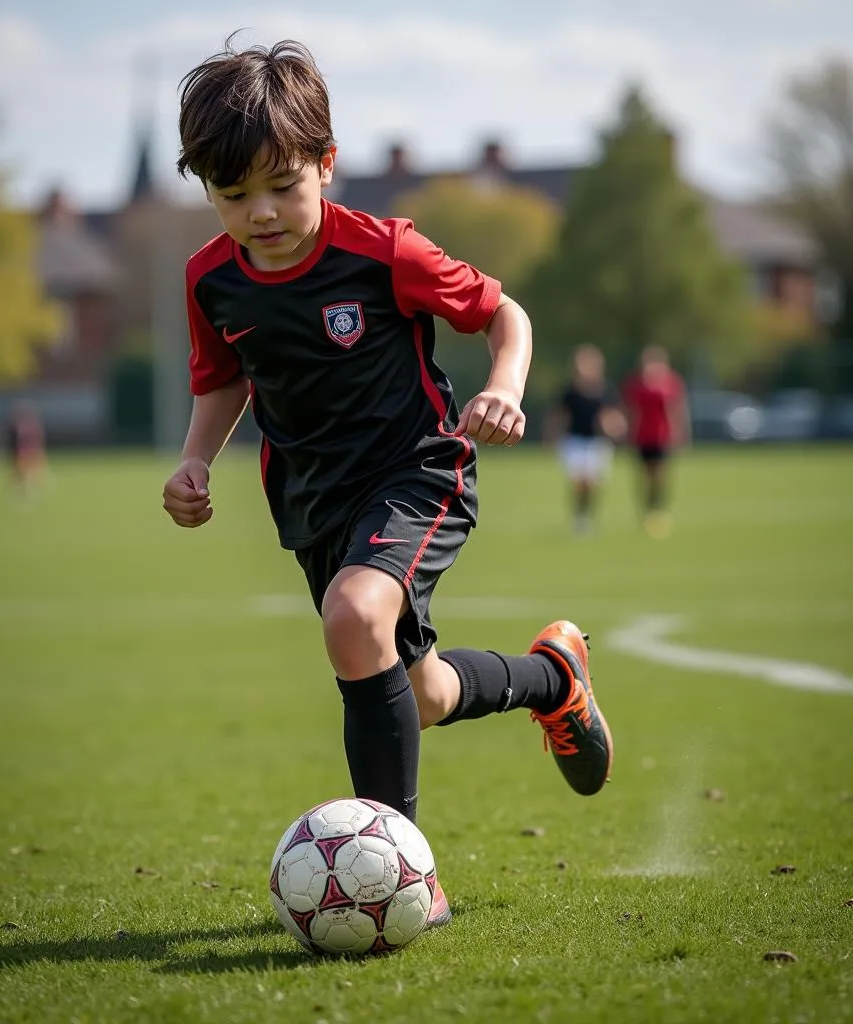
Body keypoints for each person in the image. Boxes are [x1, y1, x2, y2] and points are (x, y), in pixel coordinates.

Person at [161, 37, 613, 930]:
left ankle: (403, 870)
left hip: (416, 468)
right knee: (425, 690)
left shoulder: (384, 250)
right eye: (234, 194)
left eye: (283, 184)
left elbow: (503, 313)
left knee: (354, 618)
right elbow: (223, 378)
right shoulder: (210, 280)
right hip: (313, 501)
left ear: (327, 164)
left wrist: (504, 389)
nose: (262, 213)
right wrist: (194, 460)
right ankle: (554, 681)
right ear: (207, 192)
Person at [545, 345, 625, 533]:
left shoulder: (605, 390)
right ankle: (579, 517)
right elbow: (559, 415)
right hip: (575, 441)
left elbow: (613, 415)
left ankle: (587, 516)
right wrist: (551, 436)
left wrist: (614, 428)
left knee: (593, 483)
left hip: (597, 443)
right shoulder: (570, 391)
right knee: (579, 482)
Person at [620, 345, 690, 538]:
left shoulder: (670, 383)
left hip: (662, 436)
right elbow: (631, 411)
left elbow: (677, 410)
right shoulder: (636, 384)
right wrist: (629, 434)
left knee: (660, 475)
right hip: (642, 436)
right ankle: (646, 511)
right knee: (644, 476)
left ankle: (659, 510)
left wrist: (680, 433)